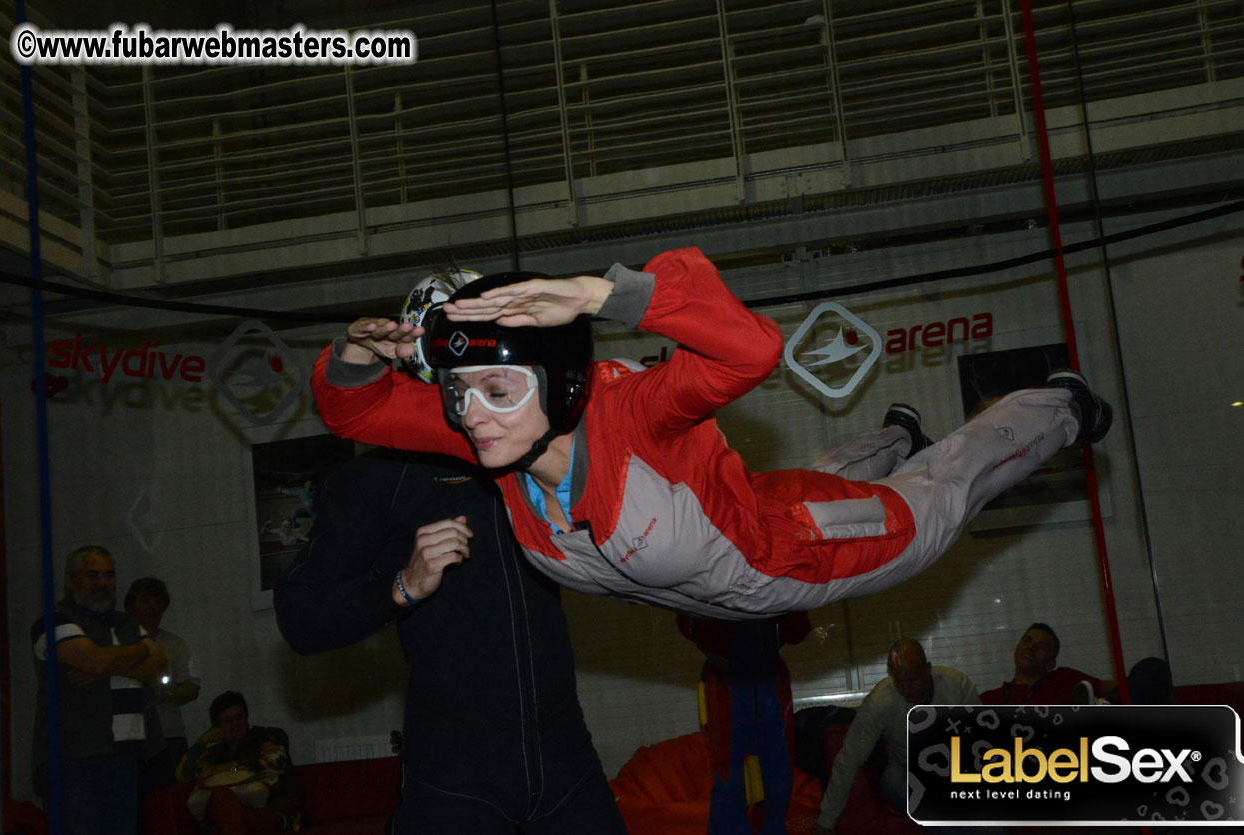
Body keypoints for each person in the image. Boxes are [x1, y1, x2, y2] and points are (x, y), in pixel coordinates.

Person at [311, 246, 1113, 619]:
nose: (471, 411)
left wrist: (598, 292)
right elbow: (352, 409)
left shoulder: (629, 411)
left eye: (494, 386)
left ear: (556, 384)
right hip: (731, 522)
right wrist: (357, 349)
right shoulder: (491, 433)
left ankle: (1061, 406)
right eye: (457, 393)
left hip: (786, 557)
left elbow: (750, 347)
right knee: (802, 476)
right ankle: (893, 433)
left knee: (943, 496)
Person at [273, 448, 628, 834]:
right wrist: (403, 586)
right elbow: (300, 617)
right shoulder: (383, 475)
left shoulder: (528, 454)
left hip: (565, 763)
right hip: (454, 780)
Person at [30, 545, 167, 835]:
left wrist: (106, 666)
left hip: (126, 755)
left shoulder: (125, 622)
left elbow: (158, 664)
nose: (103, 584)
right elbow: (92, 660)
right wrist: (137, 652)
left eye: (109, 576)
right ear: (69, 581)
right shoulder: (54, 621)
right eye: (92, 576)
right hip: (74, 759)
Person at [815, 638, 978, 834]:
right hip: (906, 771)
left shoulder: (958, 686)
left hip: (956, 768)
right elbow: (850, 757)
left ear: (927, 669)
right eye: (899, 681)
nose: (907, 690)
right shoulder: (881, 700)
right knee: (892, 780)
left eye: (913, 680)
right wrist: (825, 821)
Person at [678, 612, 811, 835]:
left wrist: (784, 606)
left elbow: (798, 629)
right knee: (728, 774)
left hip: (768, 678)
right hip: (725, 679)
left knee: (779, 773)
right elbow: (687, 623)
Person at [177, 691, 302, 834]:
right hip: (226, 817)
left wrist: (231, 767)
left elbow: (276, 763)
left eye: (239, 717)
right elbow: (183, 775)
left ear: (246, 717)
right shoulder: (214, 754)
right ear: (217, 726)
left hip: (270, 812)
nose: (235, 724)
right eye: (227, 720)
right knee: (222, 802)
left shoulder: (269, 736)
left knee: (223, 802)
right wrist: (203, 741)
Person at [124, 576, 201, 792]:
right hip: (127, 739)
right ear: (131, 605)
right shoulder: (116, 645)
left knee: (168, 803)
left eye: (158, 603)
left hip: (168, 738)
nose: (152, 608)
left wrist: (165, 694)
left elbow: (193, 687)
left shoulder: (176, 645)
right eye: (146, 601)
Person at [979, 622, 1171, 705]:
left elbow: (1123, 686)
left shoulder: (1064, 679)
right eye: (1027, 640)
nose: (1031, 648)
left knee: (1152, 669)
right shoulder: (990, 699)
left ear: (1050, 663)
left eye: (1041, 647)